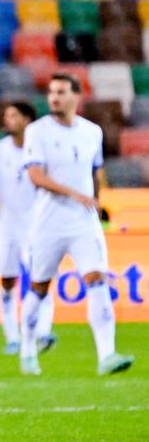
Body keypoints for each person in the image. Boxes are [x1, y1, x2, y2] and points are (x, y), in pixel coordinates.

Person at [19, 73, 134, 376]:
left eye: (60, 92)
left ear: (76, 96)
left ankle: (107, 355)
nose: (53, 98)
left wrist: (95, 203)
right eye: (51, 92)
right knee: (39, 288)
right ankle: (28, 350)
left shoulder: (92, 132)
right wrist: (76, 194)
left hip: (83, 221)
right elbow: (36, 176)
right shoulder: (37, 131)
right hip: (48, 222)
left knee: (97, 281)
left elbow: (95, 172)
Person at [0, 102, 49, 356]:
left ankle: (43, 331)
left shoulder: (41, 149)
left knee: (39, 276)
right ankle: (12, 336)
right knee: (8, 280)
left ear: (28, 120)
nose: (8, 120)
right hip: (6, 224)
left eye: (14, 116)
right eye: (6, 115)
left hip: (35, 223)